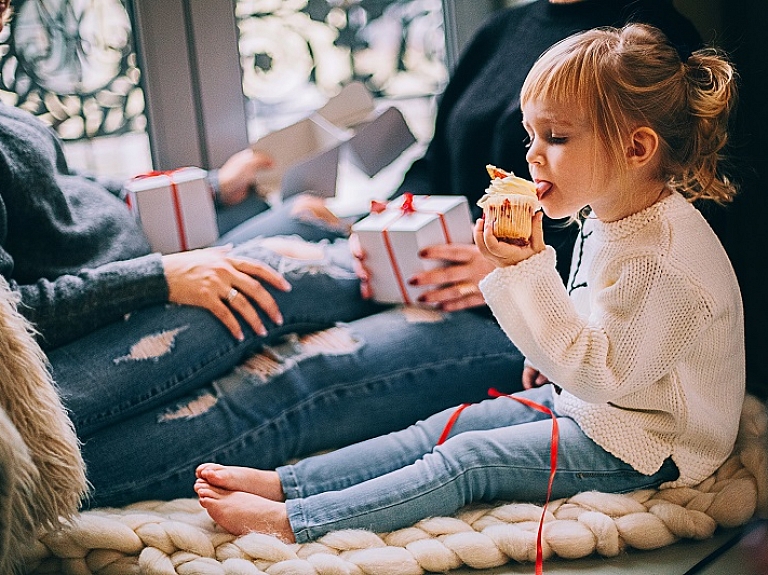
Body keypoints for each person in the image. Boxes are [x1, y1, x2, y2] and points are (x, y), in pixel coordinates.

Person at [0, 0, 706, 509]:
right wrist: (381, 218)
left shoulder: (647, 41)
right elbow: (433, 165)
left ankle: (47, 473)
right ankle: (34, 430)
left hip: (516, 312)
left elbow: (639, 221)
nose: (533, 151)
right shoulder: (502, 34)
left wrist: (513, 264)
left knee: (298, 367)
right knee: (274, 263)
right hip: (426, 258)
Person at [193, 23, 745, 544]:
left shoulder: (663, 259)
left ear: (636, 148)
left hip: (651, 442)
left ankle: (299, 520)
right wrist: (552, 355)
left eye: (555, 136)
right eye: (531, 134)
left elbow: (603, 373)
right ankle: (292, 484)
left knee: (469, 461)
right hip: (602, 403)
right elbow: (593, 318)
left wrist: (523, 269)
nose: (530, 155)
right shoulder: (611, 212)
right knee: (444, 427)